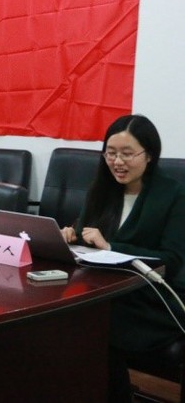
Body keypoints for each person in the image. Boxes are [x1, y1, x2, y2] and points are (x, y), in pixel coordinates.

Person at [60, 114, 185, 400]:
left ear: (149, 155)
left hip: (153, 300)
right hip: (108, 293)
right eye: (111, 153)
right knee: (68, 319)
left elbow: (171, 259)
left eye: (127, 154)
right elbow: (86, 235)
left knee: (95, 326)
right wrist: (71, 236)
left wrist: (111, 247)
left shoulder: (174, 195)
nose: (117, 162)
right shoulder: (102, 190)